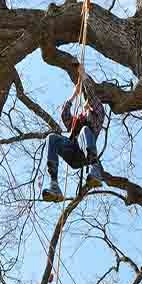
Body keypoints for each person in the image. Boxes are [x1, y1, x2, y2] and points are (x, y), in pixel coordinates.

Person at [42, 64, 106, 202]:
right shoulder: (76, 121)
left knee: (84, 130)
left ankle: (95, 168)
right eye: (86, 105)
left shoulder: (98, 116)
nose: (86, 105)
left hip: (85, 154)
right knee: (52, 138)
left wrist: (84, 76)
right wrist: (73, 96)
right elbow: (65, 115)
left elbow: (93, 98)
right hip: (72, 153)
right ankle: (54, 185)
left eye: (88, 104)